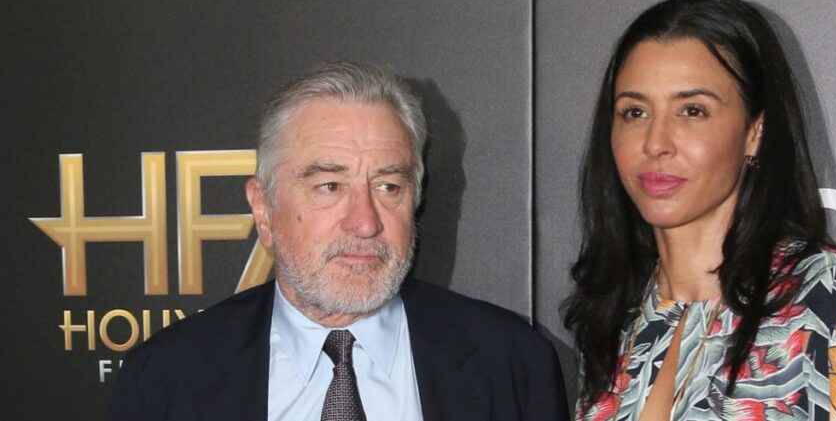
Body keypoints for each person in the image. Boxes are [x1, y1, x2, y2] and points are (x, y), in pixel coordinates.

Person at [108, 61, 569, 421]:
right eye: (330, 186)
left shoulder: (511, 362)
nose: (365, 223)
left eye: (389, 186)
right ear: (264, 209)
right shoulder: (166, 377)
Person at [563, 0, 836, 421]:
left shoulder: (826, 296)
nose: (655, 143)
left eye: (692, 111)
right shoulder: (616, 313)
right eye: (634, 112)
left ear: (755, 132)